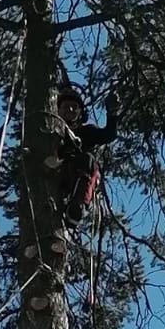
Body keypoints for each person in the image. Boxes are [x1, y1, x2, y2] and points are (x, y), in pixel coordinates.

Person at [54, 84, 118, 229]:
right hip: (56, 173)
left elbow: (109, 135)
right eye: (65, 106)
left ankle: (77, 207)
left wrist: (112, 113)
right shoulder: (52, 134)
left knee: (88, 159)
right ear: (58, 110)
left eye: (74, 107)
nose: (70, 109)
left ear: (80, 112)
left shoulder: (86, 131)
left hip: (78, 176)